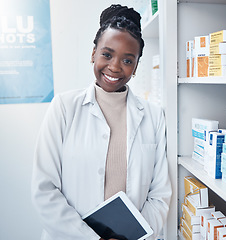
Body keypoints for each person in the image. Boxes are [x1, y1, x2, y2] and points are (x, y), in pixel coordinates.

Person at [31, 4, 172, 240]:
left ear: (136, 66)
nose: (115, 67)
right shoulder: (64, 107)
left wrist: (133, 236)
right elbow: (44, 190)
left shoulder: (153, 116)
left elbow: (159, 194)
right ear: (93, 54)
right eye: (107, 54)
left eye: (128, 60)